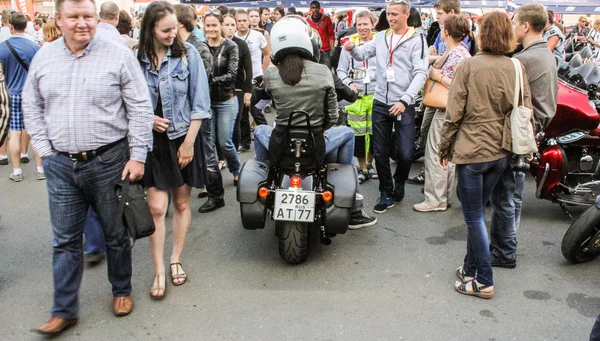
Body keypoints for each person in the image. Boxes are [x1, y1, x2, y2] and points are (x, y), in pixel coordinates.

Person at [23, 0, 154, 334]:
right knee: (65, 241)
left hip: (110, 160)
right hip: (61, 166)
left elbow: (140, 106)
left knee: (115, 233)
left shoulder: (117, 54)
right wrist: (43, 149)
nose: (82, 23)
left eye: (88, 17)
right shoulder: (44, 57)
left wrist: (138, 155)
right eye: (74, 17)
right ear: (59, 19)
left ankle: (121, 290)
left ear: (97, 19)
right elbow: (31, 104)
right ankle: (64, 310)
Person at [437, 12, 532, 299]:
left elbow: (453, 114)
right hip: (501, 151)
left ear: (482, 34)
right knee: (476, 212)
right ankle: (470, 267)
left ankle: (484, 279)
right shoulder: (516, 66)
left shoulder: (468, 66)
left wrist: (444, 148)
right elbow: (525, 109)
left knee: (474, 214)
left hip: (472, 151)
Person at [253, 16, 377, 229]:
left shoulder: (271, 74)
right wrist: (322, 128)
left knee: (259, 132)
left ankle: (266, 173)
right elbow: (332, 115)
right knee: (347, 133)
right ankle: (354, 199)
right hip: (315, 141)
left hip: (281, 143)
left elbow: (257, 106)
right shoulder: (323, 72)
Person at [137, 1, 211, 298]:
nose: (172, 34)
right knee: (156, 209)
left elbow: (201, 103)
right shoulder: (136, 58)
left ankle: (175, 259)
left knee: (181, 204)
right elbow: (127, 102)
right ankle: (157, 270)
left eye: (174, 29)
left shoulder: (188, 54)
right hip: (151, 143)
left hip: (184, 138)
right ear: (150, 29)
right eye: (165, 30)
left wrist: (190, 142)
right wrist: (145, 117)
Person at [489, 3, 558, 269]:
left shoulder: (524, 60)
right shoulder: (542, 53)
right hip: (532, 130)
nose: (513, 25)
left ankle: (505, 249)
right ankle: (509, 242)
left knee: (505, 195)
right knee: (513, 193)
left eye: (515, 21)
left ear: (526, 26)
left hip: (522, 132)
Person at [344, 0, 428, 214]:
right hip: (380, 102)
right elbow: (362, 54)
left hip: (403, 103)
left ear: (406, 14)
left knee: (406, 153)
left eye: (394, 14)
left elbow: (421, 73)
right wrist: (352, 49)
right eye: (388, 14)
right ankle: (385, 191)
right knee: (380, 152)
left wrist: (405, 99)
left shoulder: (417, 39)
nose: (390, 18)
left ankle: (399, 181)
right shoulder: (381, 37)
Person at [413, 14, 471, 213]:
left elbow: (459, 85)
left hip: (446, 108)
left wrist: (438, 76)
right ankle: (442, 197)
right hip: (450, 109)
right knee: (445, 154)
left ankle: (435, 199)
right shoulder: (458, 51)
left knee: (436, 152)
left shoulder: (457, 55)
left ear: (446, 31)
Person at [175, 4, 225, 213]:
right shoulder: (179, 44)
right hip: (184, 112)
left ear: (178, 23)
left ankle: (216, 195)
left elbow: (203, 80)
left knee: (207, 153)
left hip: (199, 111)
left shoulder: (197, 47)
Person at [0, 11, 43, 181]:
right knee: (36, 132)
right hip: (31, 95)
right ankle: (40, 170)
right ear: (26, 26)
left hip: (12, 95)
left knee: (15, 133)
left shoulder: (2, 47)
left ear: (10, 26)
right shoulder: (34, 47)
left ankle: (17, 172)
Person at [337, 10, 378, 184]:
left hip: (377, 95)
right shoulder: (349, 43)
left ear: (373, 24)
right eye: (359, 24)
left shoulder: (380, 41)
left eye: (365, 24)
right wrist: (349, 83)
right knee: (359, 136)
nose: (362, 28)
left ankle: (370, 164)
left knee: (375, 134)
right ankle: (362, 168)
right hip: (356, 97)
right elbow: (340, 70)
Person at [205, 11, 241, 185]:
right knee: (209, 144)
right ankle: (210, 183)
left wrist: (209, 81)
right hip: (206, 102)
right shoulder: (201, 46)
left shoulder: (231, 46)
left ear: (220, 25)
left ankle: (236, 170)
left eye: (214, 25)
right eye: (208, 25)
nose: (211, 28)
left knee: (224, 142)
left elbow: (232, 74)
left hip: (226, 99)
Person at [234, 9, 269, 153]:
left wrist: (263, 72)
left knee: (256, 111)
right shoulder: (233, 38)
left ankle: (268, 138)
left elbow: (267, 53)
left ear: (249, 21)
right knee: (242, 113)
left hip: (256, 78)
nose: (242, 23)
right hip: (240, 82)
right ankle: (245, 143)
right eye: (239, 21)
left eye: (244, 20)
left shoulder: (258, 35)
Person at [224, 13, 252, 155]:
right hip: (220, 89)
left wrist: (248, 91)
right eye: (227, 25)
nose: (230, 28)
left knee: (239, 118)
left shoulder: (241, 44)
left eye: (232, 25)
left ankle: (242, 144)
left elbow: (248, 70)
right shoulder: (216, 45)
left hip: (239, 88)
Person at [307, 1, 335, 68]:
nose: (315, 9)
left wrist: (332, 48)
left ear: (319, 8)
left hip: (325, 50)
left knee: (327, 70)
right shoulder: (307, 21)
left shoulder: (327, 19)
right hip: (313, 50)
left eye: (317, 7)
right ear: (311, 9)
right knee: (314, 71)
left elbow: (331, 34)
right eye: (313, 8)